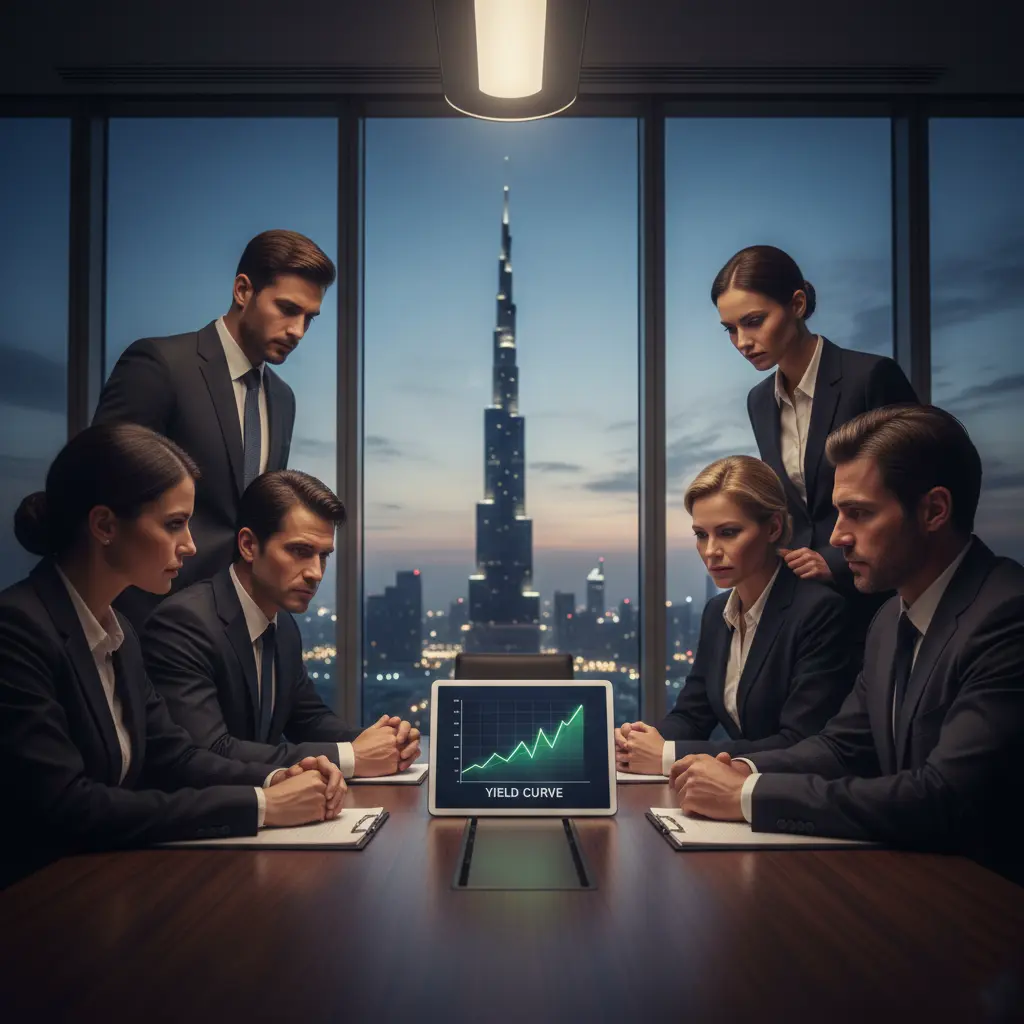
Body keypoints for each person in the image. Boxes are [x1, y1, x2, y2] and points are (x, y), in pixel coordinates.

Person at [670, 405, 1024, 885]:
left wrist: (747, 795)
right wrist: (737, 769)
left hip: (992, 902)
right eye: (838, 513)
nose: (837, 537)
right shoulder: (889, 621)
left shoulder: (1007, 616)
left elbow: (944, 797)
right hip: (916, 882)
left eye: (858, 513)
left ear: (934, 511)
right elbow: (841, 748)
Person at [0, 423, 345, 887]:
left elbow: (176, 757)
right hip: (34, 900)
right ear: (104, 526)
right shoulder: (17, 629)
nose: (191, 545)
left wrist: (275, 780)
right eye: (173, 524)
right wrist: (263, 806)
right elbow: (68, 805)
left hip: (104, 880)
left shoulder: (120, 632)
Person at [93, 229, 335, 628]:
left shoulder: (282, 399)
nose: (298, 330)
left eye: (309, 318)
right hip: (145, 617)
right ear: (243, 290)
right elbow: (98, 485)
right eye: (288, 308)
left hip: (233, 622)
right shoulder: (162, 366)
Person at [142, 470, 421, 777]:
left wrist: (383, 741)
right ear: (248, 545)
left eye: (323, 556)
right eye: (300, 551)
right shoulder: (185, 624)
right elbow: (210, 750)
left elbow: (310, 720)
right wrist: (353, 756)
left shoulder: (283, 626)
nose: (316, 573)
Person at [714, 245, 918, 645]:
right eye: (731, 329)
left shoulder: (870, 377)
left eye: (753, 321)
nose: (742, 341)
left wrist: (835, 561)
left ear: (797, 304)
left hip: (876, 598)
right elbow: (796, 506)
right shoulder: (760, 401)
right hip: (804, 606)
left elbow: (916, 492)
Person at [616, 456, 854, 776]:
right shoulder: (717, 613)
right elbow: (691, 716)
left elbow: (800, 741)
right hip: (739, 788)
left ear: (773, 528)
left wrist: (667, 755)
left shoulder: (818, 611)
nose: (711, 551)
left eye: (728, 532)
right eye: (701, 534)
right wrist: (638, 741)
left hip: (796, 792)